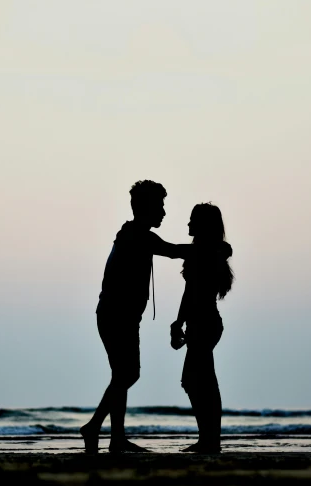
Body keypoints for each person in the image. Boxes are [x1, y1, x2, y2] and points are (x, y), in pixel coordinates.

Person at [81, 181, 206, 454]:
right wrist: (212, 247)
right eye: (160, 206)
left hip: (121, 316)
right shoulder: (136, 235)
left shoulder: (134, 234)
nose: (163, 212)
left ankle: (115, 438)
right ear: (145, 207)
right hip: (116, 315)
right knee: (127, 374)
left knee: (123, 375)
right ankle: (95, 428)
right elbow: (174, 251)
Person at [170, 203, 234, 454]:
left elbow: (176, 252)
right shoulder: (201, 252)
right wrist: (178, 321)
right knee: (198, 381)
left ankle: (210, 439)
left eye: (192, 221)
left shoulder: (209, 253)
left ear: (203, 225)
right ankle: (208, 438)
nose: (188, 225)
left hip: (206, 323)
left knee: (199, 381)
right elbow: (189, 291)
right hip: (199, 322)